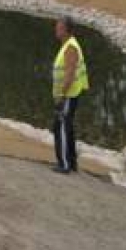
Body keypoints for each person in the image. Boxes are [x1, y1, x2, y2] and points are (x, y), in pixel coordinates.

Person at [50, 16, 89, 174]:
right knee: (66, 126)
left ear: (66, 30)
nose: (56, 30)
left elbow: (70, 74)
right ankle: (71, 162)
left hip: (68, 95)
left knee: (62, 127)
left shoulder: (71, 47)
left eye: (59, 28)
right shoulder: (68, 45)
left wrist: (61, 95)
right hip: (69, 94)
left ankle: (65, 164)